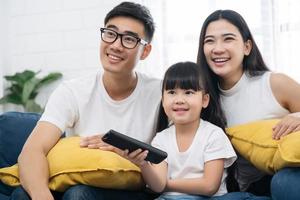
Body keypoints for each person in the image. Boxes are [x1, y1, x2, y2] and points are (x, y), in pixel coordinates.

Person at [12, 2, 161, 200]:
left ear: (145, 51)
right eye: (110, 33)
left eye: (129, 39)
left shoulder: (161, 92)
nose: (116, 45)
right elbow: (32, 151)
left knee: (78, 195)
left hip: (132, 188)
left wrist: (123, 150)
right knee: (22, 194)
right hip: (79, 182)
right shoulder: (73, 91)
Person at [120, 62, 270, 200]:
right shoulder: (161, 139)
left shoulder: (213, 135)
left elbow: (210, 186)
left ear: (204, 100)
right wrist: (143, 164)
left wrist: (168, 184)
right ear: (163, 99)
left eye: (188, 92)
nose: (179, 99)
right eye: (172, 92)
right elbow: (157, 186)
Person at [196, 9, 300, 200]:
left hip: (285, 178)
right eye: (209, 41)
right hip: (243, 191)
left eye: (228, 39)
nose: (217, 48)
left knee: (284, 182)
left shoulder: (274, 83)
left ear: (247, 47)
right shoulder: (200, 98)